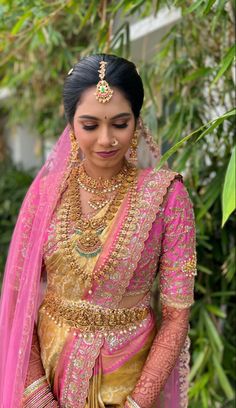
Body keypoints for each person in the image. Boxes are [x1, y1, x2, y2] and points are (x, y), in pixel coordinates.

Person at [0, 54, 197, 408]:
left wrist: (139, 402)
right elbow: (18, 303)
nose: (105, 140)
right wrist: (38, 396)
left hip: (130, 378)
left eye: (119, 124)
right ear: (71, 125)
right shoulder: (45, 196)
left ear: (137, 122)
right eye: (90, 125)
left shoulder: (167, 196)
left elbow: (176, 315)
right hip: (48, 374)